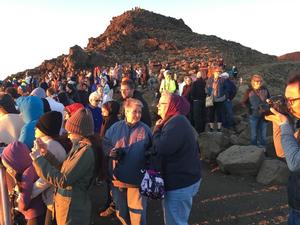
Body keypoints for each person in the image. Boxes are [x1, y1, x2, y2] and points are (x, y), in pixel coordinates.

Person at [30, 108, 105, 225]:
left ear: (79, 132)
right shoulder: (79, 148)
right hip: (69, 207)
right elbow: (65, 169)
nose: (68, 136)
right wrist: (46, 154)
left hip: (73, 210)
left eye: (70, 132)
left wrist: (38, 159)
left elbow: (63, 180)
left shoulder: (85, 152)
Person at [153, 92, 201, 225]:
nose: (157, 105)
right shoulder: (176, 121)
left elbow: (162, 147)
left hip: (180, 183)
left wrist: (156, 131)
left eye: (162, 103)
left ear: (172, 106)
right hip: (185, 179)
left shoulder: (177, 122)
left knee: (176, 221)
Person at [103, 98, 152, 225]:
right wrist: (110, 151)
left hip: (137, 181)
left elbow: (154, 151)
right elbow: (105, 143)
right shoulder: (115, 128)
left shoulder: (146, 130)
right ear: (126, 111)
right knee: (121, 212)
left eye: (140, 112)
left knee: (138, 216)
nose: (138, 115)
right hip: (117, 179)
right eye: (135, 112)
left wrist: (147, 156)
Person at [265, 73, 300, 224]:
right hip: (295, 204)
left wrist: (285, 125)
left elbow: (295, 163)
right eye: (286, 100)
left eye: (291, 100)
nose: (288, 105)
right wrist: (278, 121)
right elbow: (282, 152)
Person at [31, 111, 69, 225]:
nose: (34, 130)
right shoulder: (50, 143)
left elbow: (46, 179)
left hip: (54, 198)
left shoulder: (51, 146)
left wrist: (29, 193)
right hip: (52, 196)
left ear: (44, 130)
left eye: (37, 127)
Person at [1, 141, 46, 225]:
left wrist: (19, 207)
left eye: (9, 168)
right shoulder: (33, 166)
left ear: (16, 164)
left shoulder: (26, 176)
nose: (9, 171)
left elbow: (24, 202)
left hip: (33, 215)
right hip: (41, 211)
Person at [242, 74, 270, 147]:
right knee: (254, 133)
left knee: (263, 134)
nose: (258, 82)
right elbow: (243, 102)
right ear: (252, 81)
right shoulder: (249, 91)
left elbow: (269, 100)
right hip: (253, 115)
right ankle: (254, 148)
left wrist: (267, 106)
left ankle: (263, 148)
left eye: (260, 81)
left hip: (264, 115)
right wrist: (250, 109)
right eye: (256, 81)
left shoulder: (265, 89)